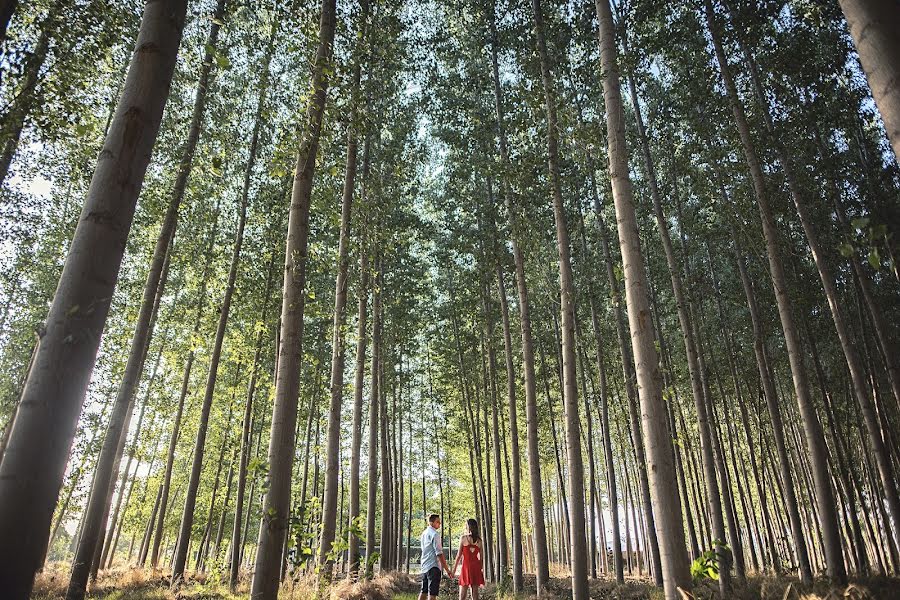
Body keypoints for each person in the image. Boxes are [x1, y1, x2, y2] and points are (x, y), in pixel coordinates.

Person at [419, 513, 452, 600]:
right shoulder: (435, 535)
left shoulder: (424, 534)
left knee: (424, 591)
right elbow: (439, 554)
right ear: (432, 522)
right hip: (433, 566)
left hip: (425, 566)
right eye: (438, 522)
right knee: (432, 593)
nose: (439, 524)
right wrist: (447, 570)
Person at [450, 518, 485, 600]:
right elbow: (482, 558)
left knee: (463, 592)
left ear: (468, 527)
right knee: (475, 592)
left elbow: (458, 556)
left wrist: (453, 571)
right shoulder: (479, 541)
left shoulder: (463, 538)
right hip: (476, 567)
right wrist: (480, 570)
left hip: (466, 567)